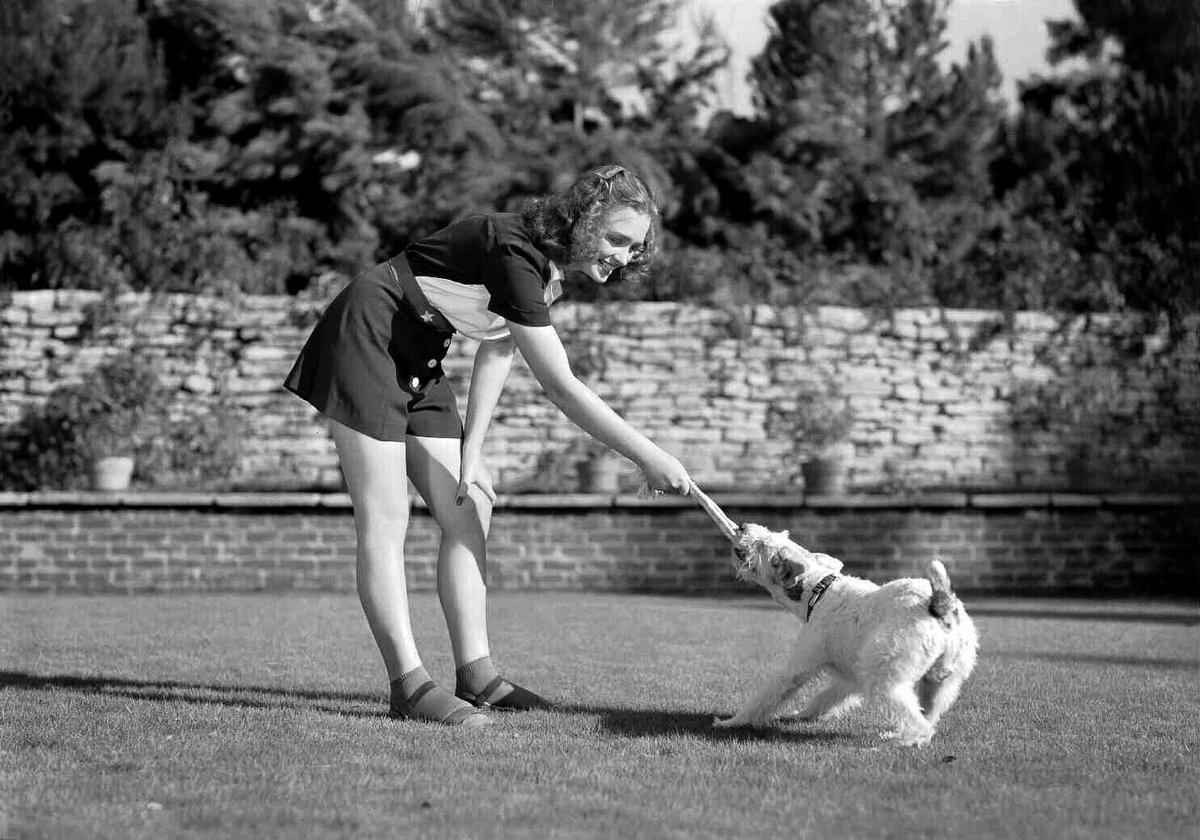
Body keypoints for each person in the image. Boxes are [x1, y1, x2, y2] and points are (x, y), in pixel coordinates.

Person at [283, 164, 693, 727]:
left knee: (471, 504)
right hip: (369, 331)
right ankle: (408, 684)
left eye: (634, 246)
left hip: (421, 350)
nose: (623, 256)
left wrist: (471, 450)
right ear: (584, 220)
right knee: (385, 516)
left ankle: (478, 676)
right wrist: (649, 454)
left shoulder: (546, 270)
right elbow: (559, 385)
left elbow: (498, 348)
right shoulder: (515, 251)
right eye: (616, 238)